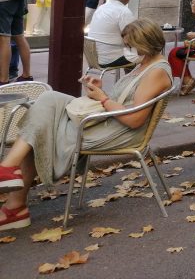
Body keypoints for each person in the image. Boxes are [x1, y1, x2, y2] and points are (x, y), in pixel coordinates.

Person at [0, 18, 172, 231]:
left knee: (42, 127)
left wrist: (102, 99)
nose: (128, 49)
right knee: (48, 101)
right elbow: (127, 104)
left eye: (130, 45)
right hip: (109, 122)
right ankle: (11, 187)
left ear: (144, 43)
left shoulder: (156, 71)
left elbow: (134, 119)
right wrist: (102, 93)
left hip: (120, 131)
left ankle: (13, 194)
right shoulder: (146, 62)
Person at [86, 0, 135, 68]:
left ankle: (127, 80)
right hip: (111, 59)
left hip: (94, 58)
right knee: (147, 53)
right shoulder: (124, 12)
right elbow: (132, 39)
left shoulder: (101, 8)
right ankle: (131, 81)